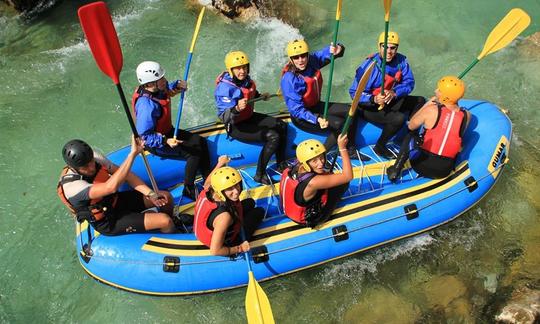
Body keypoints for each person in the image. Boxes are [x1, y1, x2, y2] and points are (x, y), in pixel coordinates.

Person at [57, 137, 176, 235]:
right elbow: (110, 187)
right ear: (74, 168)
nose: (92, 167)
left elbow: (127, 176)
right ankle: (171, 236)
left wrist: (150, 194)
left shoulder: (94, 158)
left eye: (91, 162)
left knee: (166, 197)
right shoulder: (73, 187)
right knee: (165, 221)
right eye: (85, 167)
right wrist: (132, 154)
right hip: (108, 220)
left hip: (116, 201)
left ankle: (172, 224)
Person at [132, 61, 211, 200]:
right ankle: (188, 188)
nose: (164, 80)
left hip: (167, 132)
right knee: (194, 153)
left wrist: (177, 85)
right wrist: (165, 140)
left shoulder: (155, 88)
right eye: (160, 79)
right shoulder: (146, 106)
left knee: (200, 141)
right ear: (150, 84)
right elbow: (144, 136)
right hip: (156, 142)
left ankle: (208, 179)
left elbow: (166, 89)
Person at [281, 39, 365, 160]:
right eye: (296, 57)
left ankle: (350, 149)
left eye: (303, 56)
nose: (301, 60)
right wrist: (317, 119)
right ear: (291, 59)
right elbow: (296, 110)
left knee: (351, 111)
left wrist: (338, 49)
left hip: (316, 105)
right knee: (339, 124)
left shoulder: (312, 61)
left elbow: (330, 53)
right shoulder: (289, 79)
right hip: (303, 116)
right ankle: (322, 155)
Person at [214, 51, 288, 185]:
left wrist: (259, 95)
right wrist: (236, 109)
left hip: (249, 116)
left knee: (282, 125)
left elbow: (249, 93)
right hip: (236, 126)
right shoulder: (224, 89)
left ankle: (281, 163)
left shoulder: (246, 80)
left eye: (244, 67)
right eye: (238, 68)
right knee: (273, 136)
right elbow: (223, 117)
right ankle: (259, 174)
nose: (242, 71)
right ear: (231, 70)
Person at [349, 31, 426, 159]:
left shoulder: (402, 61)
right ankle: (380, 146)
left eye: (392, 48)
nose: (388, 52)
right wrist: (374, 99)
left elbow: (409, 83)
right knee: (399, 118)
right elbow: (353, 93)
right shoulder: (369, 66)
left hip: (389, 100)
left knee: (420, 100)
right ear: (379, 47)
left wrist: (395, 92)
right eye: (385, 47)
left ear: (397, 49)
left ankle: (410, 136)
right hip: (369, 106)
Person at [387, 76, 471, 181]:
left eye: (439, 90)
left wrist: (426, 105)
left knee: (411, 135)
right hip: (444, 170)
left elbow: (411, 125)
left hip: (420, 165)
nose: (436, 91)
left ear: (445, 96)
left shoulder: (431, 110)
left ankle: (396, 169)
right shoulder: (467, 115)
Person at [193, 158, 264, 256]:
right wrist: (239, 248)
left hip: (213, 223)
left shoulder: (209, 189)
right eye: (230, 188)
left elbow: (209, 180)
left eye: (237, 185)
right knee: (259, 212)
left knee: (250, 202)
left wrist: (220, 163)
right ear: (220, 190)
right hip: (226, 241)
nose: (236, 192)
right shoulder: (224, 218)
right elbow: (215, 251)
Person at [279, 134, 353, 228]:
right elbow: (348, 176)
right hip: (309, 219)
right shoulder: (313, 182)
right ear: (306, 163)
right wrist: (342, 148)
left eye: (321, 158)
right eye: (314, 161)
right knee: (343, 183)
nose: (320, 163)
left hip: (290, 210)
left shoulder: (293, 167)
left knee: (328, 175)